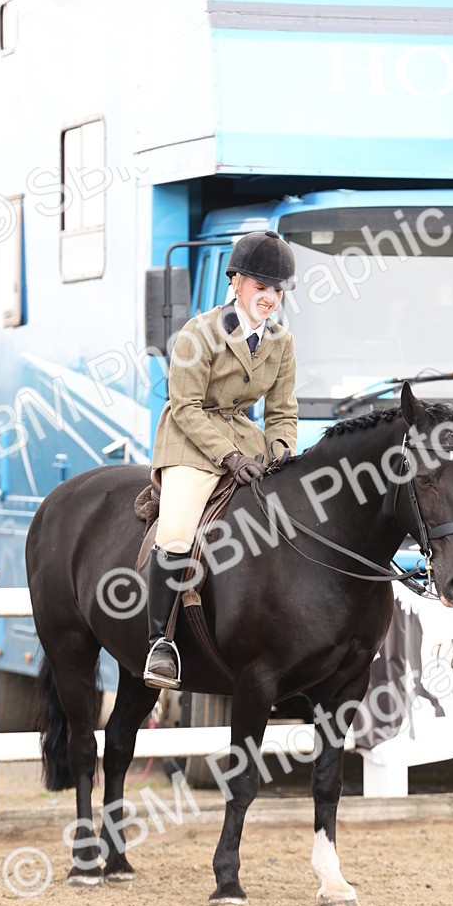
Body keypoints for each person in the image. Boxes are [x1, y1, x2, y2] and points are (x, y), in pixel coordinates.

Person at [144, 229, 299, 689]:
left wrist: (281, 457)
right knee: (176, 530)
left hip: (247, 441)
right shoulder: (199, 333)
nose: (269, 298)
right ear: (235, 282)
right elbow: (186, 406)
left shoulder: (282, 342)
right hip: (191, 442)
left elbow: (282, 412)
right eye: (261, 286)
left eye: (277, 290)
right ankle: (160, 643)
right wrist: (230, 457)